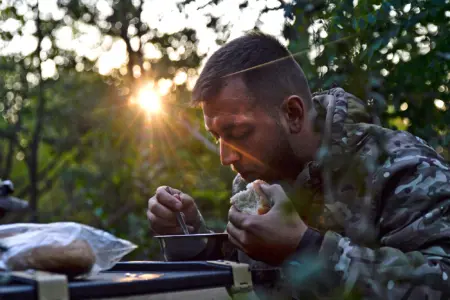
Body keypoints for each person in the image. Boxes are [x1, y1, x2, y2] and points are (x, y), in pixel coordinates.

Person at [147, 32, 450, 299]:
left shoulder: (401, 167)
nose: (227, 157)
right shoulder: (253, 180)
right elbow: (243, 280)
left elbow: (441, 282)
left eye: (238, 134)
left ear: (292, 113)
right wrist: (192, 238)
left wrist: (307, 248)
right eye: (217, 138)